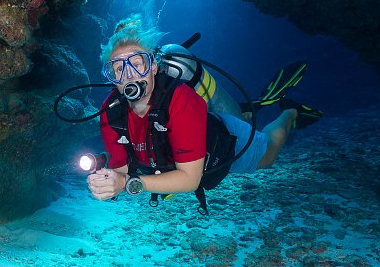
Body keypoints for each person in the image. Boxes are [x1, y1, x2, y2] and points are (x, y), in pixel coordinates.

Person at [87, 15, 322, 203]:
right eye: (118, 69)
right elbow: (122, 170)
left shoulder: (182, 99)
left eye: (138, 65)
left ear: (154, 67)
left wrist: (129, 183)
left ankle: (290, 113)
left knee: (269, 154)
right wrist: (108, 184)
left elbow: (189, 179)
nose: (129, 75)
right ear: (112, 78)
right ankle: (249, 112)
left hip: (220, 143)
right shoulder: (111, 113)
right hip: (170, 155)